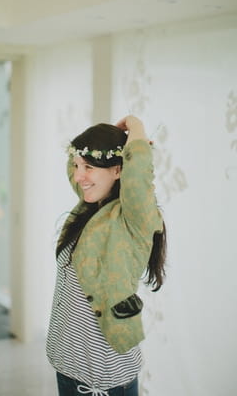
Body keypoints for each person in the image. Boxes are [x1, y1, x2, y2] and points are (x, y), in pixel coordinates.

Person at [46, 116, 167, 396]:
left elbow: (137, 178)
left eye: (88, 167)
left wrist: (135, 128)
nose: (79, 176)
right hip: (67, 367)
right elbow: (76, 168)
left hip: (105, 380)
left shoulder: (133, 219)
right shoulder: (87, 207)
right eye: (78, 166)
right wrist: (104, 141)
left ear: (117, 170)